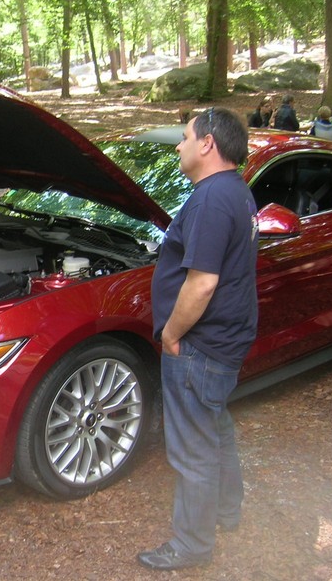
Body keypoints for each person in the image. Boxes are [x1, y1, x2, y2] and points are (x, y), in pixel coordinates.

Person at [137, 107, 258, 571]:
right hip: (226, 340)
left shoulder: (210, 200)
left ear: (208, 143)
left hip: (200, 346)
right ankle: (228, 511)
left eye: (185, 137)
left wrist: (171, 333)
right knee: (216, 429)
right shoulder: (236, 191)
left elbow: (202, 282)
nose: (179, 145)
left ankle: (191, 545)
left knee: (193, 450)